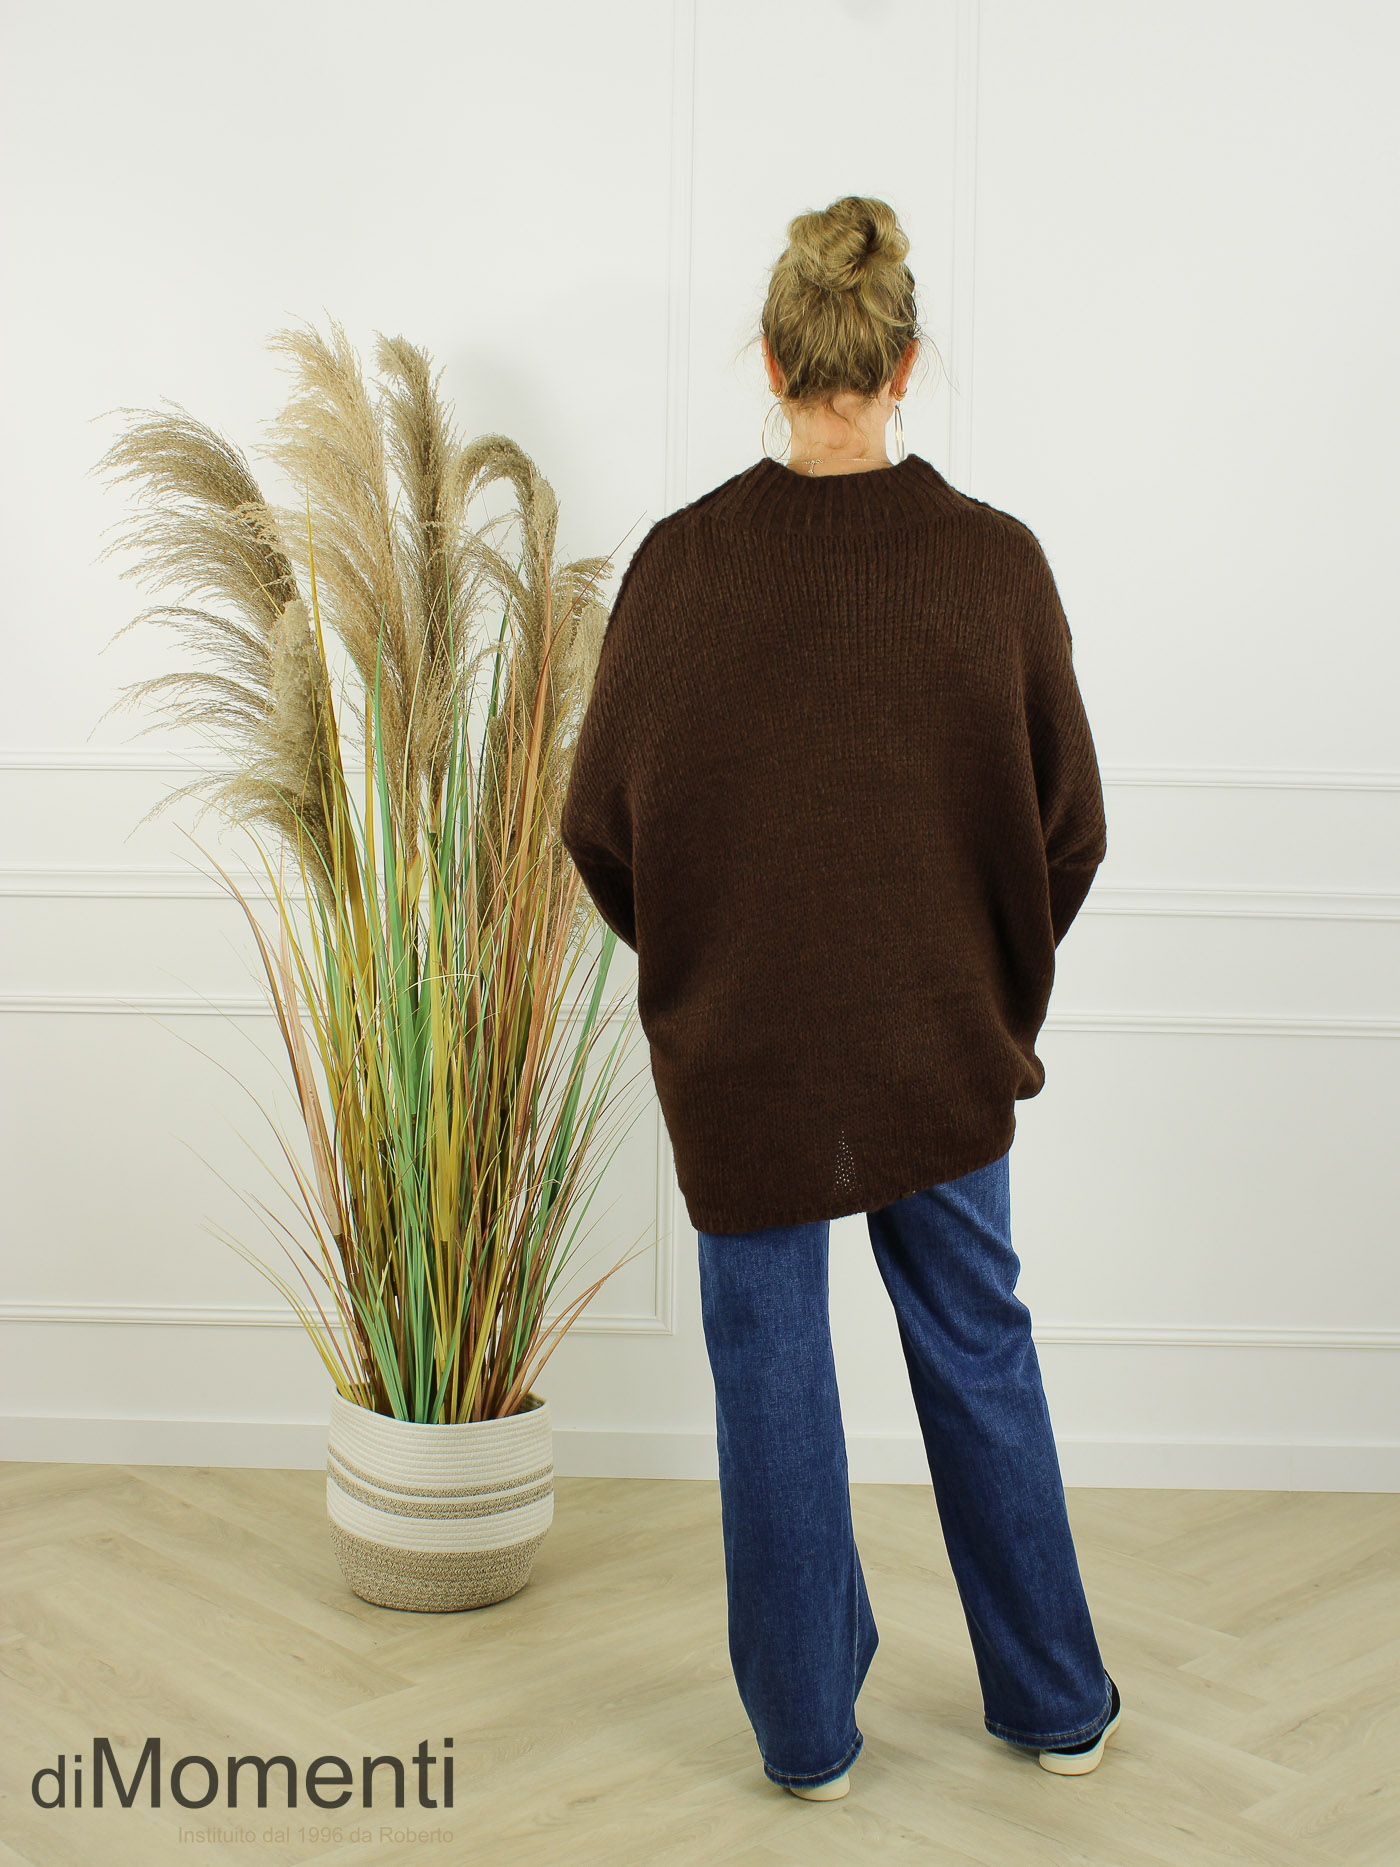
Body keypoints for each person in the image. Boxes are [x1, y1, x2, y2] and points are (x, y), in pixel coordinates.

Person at [560, 194, 1120, 1802]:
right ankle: (1057, 1703)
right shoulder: (995, 566)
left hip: (744, 1050)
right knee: (977, 1345)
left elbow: (602, 830)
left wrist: (713, 970)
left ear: (771, 359)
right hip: (942, 1041)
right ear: (904, 365)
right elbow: (1070, 832)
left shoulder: (682, 569)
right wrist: (987, 990)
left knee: (772, 1377)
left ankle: (806, 1738)